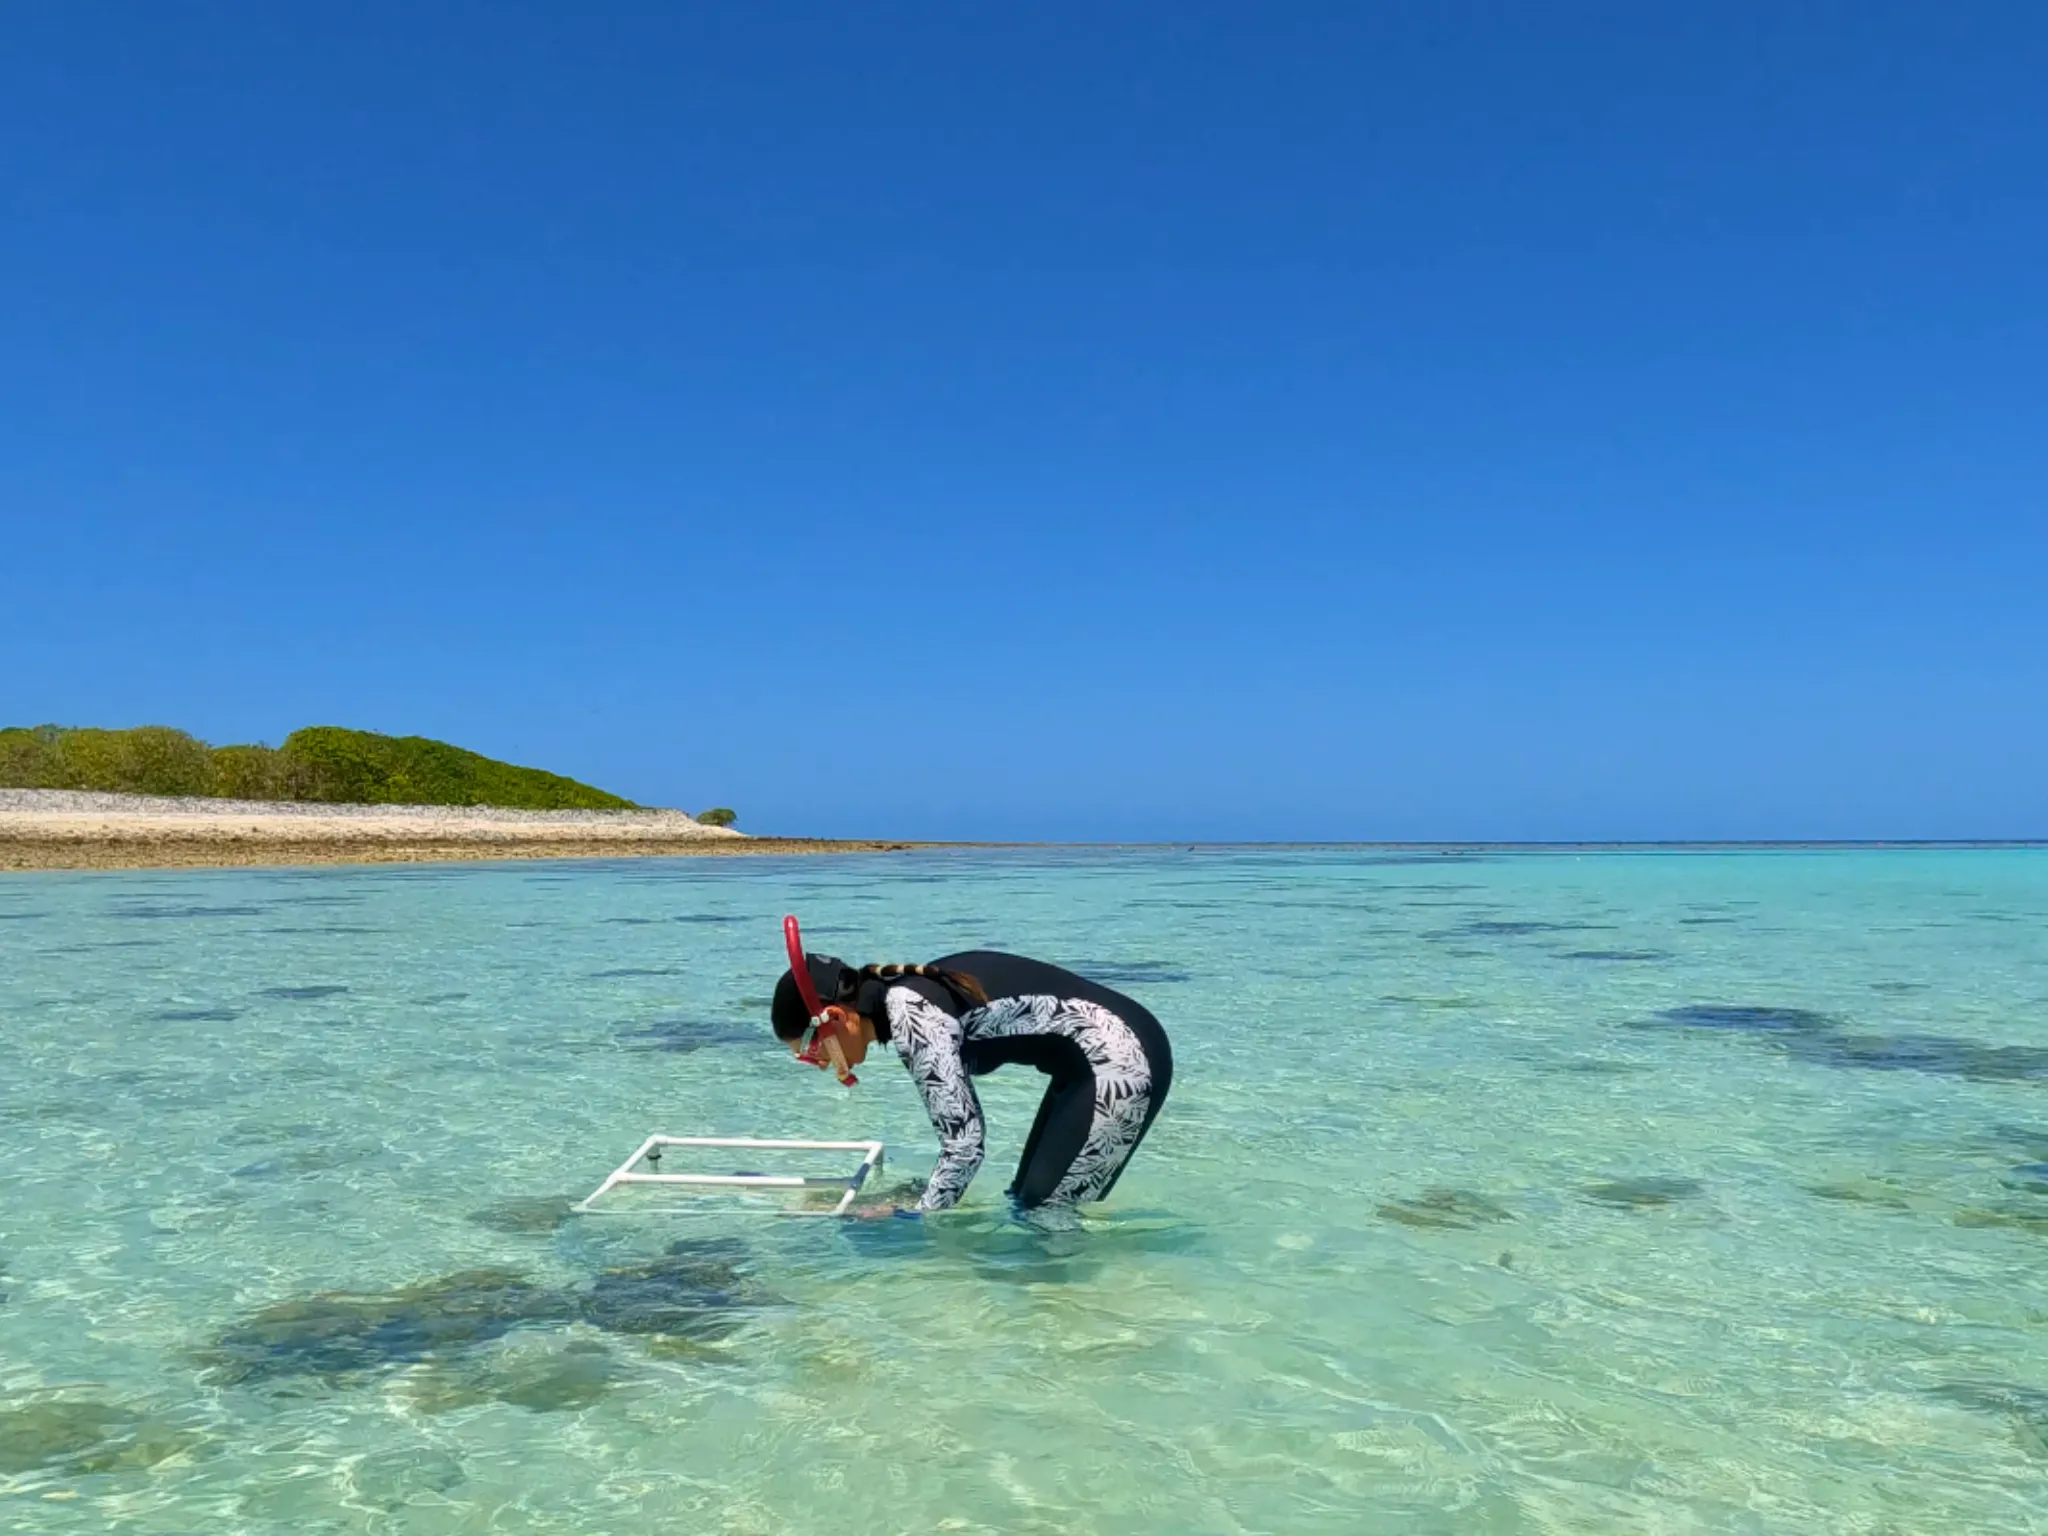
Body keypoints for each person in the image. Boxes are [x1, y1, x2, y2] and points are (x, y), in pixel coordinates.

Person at [771, 925, 1173, 1217]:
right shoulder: (902, 996)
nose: (817, 1062)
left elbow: (965, 1147)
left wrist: (910, 1218)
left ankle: (1094, 1323)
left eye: (809, 1049)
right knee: (1027, 1202)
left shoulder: (912, 1017)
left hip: (1123, 1060)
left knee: (1048, 1214)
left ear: (837, 1017)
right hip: (1100, 1059)